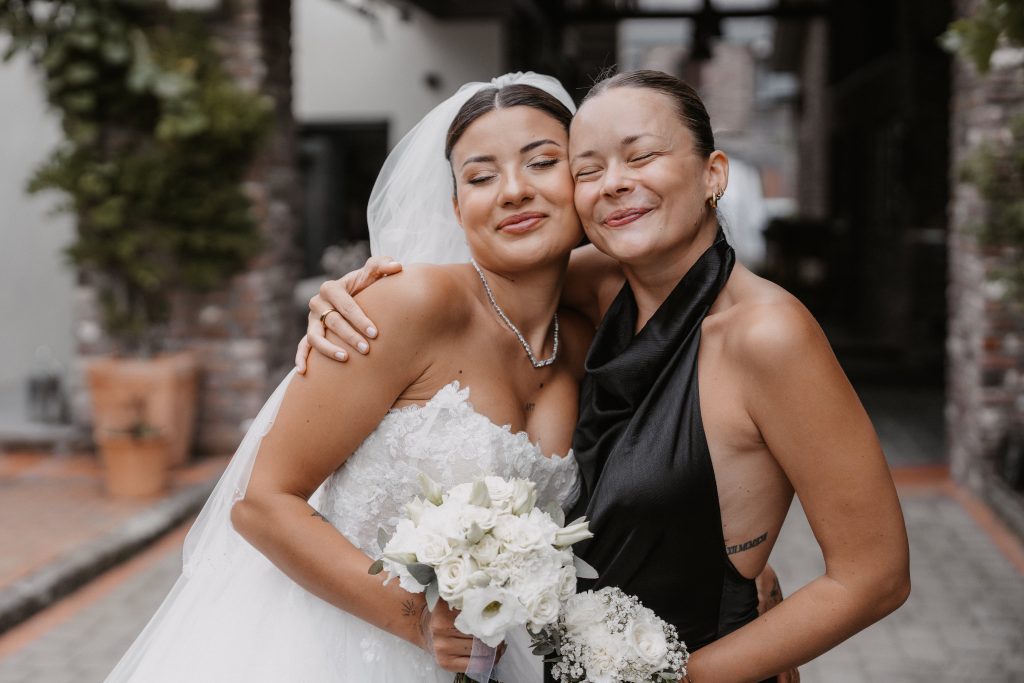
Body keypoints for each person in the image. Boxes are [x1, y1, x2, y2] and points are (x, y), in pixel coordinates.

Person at [305, 70, 910, 683]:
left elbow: (874, 576)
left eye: (642, 156)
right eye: (588, 170)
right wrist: (359, 294)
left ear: (713, 174)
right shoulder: (599, 289)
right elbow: (481, 282)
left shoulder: (767, 336)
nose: (615, 183)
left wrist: (682, 675)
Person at [103, 73, 591, 683]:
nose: (514, 191)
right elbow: (261, 503)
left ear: (583, 180)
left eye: (543, 163)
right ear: (456, 208)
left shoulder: (586, 337)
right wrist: (412, 616)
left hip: (496, 654)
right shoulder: (408, 304)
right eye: (481, 176)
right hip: (331, 644)